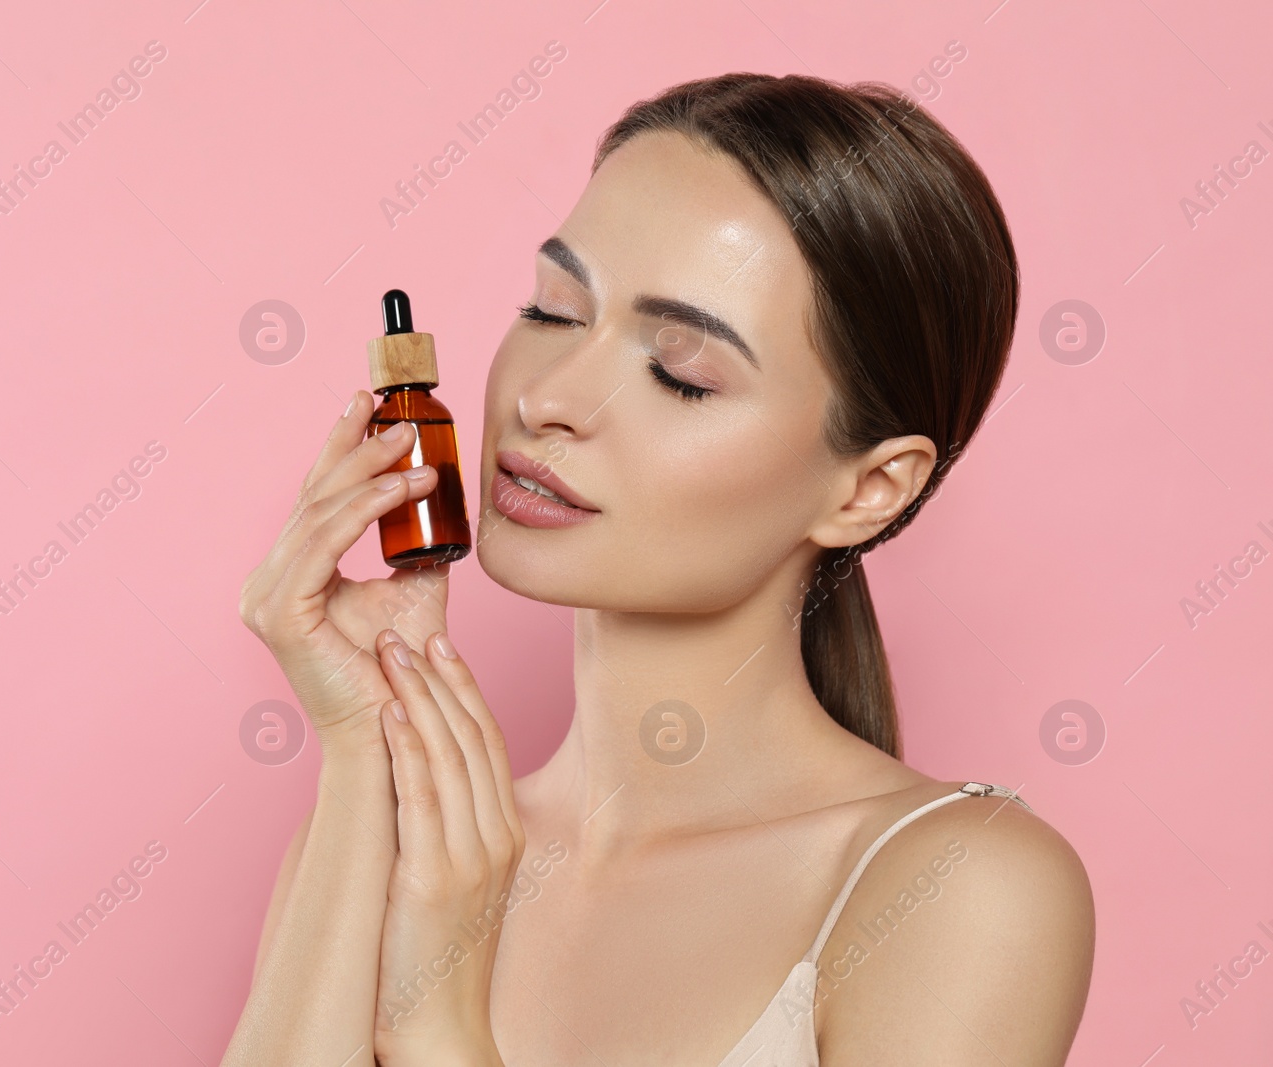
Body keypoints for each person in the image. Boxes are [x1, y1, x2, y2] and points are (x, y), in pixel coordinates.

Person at [225, 72, 1096, 1066]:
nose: (547, 397)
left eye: (679, 372)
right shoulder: (383, 842)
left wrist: (438, 1029)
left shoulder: (959, 888)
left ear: (868, 488)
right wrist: (361, 742)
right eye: (553, 309)